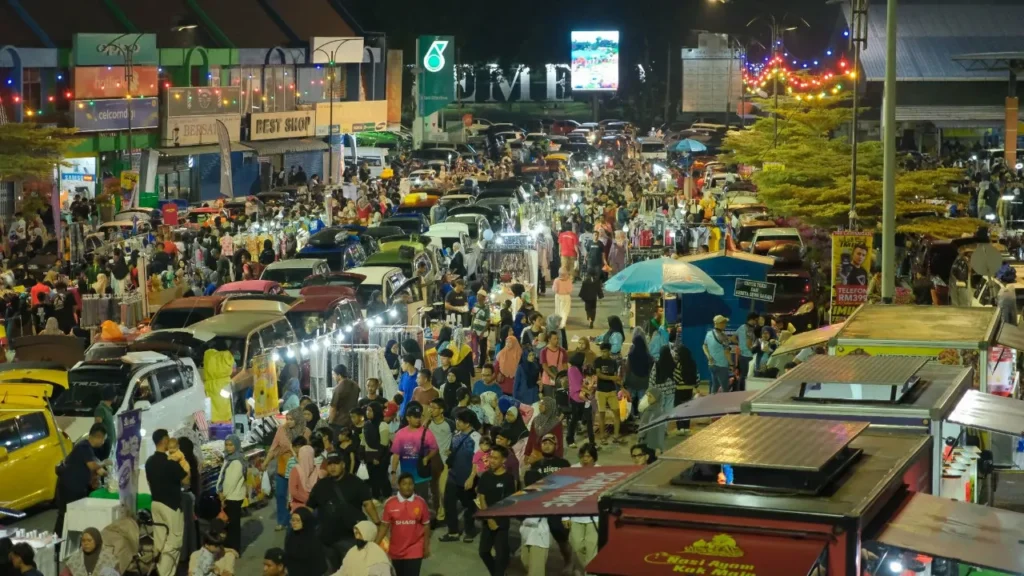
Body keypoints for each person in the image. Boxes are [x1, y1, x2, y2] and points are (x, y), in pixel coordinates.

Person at [306, 451, 379, 572]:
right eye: (329, 464)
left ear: (343, 464)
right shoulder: (321, 485)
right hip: (326, 540)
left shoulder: (356, 482)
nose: (332, 467)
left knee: (352, 572)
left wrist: (377, 523)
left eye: (336, 463)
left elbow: (368, 504)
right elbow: (309, 507)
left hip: (350, 539)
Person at [146, 429, 187, 576]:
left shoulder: (149, 462)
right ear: (164, 441)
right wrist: (181, 461)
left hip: (155, 503)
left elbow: (150, 483)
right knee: (174, 542)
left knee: (160, 541)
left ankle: (158, 569)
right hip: (171, 505)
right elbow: (186, 480)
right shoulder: (170, 463)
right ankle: (162, 573)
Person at [476, 444, 518, 576]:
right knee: (483, 552)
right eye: (490, 457)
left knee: (500, 555)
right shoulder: (485, 476)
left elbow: (509, 502)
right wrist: (489, 519)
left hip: (502, 522)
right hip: (488, 521)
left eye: (495, 458)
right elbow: (482, 498)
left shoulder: (508, 479)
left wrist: (497, 520)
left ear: (503, 460)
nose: (491, 460)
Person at [265, 408, 310, 531]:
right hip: (283, 468)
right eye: (287, 419)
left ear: (298, 419)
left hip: (299, 470)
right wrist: (265, 463)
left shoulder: (306, 432)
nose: (288, 422)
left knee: (296, 497)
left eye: (292, 419)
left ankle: (298, 520)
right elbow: (274, 447)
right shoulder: (281, 430)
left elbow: (308, 451)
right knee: (280, 495)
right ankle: (282, 521)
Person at [441, 408, 481, 543]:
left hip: (467, 478)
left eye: (460, 420)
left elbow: (478, 460)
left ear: (468, 423)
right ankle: (453, 532)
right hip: (453, 476)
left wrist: (471, 477)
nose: (457, 422)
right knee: (449, 503)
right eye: (457, 419)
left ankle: (470, 531)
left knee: (469, 506)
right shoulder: (456, 434)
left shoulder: (476, 438)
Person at [380, 473, 431, 576]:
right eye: (404, 484)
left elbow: (426, 525)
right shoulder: (390, 503)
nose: (408, 487)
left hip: (415, 549)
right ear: (399, 486)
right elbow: (384, 526)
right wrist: (374, 544)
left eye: (410, 484)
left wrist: (426, 546)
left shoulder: (421, 503)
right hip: (396, 550)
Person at [390, 402, 439, 504]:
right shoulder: (400, 434)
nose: (418, 419)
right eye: (415, 417)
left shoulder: (427, 433)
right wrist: (393, 472)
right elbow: (396, 455)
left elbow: (435, 449)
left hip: (422, 477)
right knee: (407, 504)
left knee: (422, 503)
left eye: (419, 417)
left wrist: (427, 457)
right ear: (408, 418)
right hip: (406, 478)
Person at [568, 444, 600, 567]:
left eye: (588, 456)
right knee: (577, 547)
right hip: (576, 516)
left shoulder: (601, 471)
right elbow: (567, 493)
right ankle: (588, 569)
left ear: (594, 457)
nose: (585, 459)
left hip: (595, 517)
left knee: (592, 549)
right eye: (582, 456)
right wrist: (565, 517)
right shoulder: (573, 469)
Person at [216, 434, 247, 553]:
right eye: (226, 444)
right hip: (230, 496)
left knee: (233, 525)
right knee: (229, 524)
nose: (228, 447)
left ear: (237, 445)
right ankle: (230, 547)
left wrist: (223, 496)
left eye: (231, 445)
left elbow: (231, 482)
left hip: (232, 497)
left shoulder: (237, 461)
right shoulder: (229, 458)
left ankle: (234, 549)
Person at [427, 398, 455, 524]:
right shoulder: (428, 423)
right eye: (430, 407)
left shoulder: (449, 423)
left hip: (444, 462)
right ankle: (438, 512)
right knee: (433, 489)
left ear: (441, 410)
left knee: (443, 489)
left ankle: (445, 513)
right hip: (431, 462)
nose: (430, 410)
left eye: (433, 407)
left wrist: (452, 450)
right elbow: (420, 435)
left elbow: (457, 436)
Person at [593, 342, 622, 445]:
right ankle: (602, 436)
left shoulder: (613, 362)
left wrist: (620, 384)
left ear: (609, 351)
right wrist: (612, 378)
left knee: (617, 413)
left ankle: (616, 436)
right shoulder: (598, 361)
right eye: (602, 351)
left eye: (605, 351)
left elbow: (615, 376)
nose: (603, 353)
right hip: (601, 391)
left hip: (611, 390)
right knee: (602, 415)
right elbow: (599, 374)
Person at [363, 401, 392, 501]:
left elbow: (384, 444)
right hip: (369, 456)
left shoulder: (382, 425)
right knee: (372, 478)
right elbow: (364, 441)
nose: (368, 413)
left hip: (381, 456)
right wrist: (362, 454)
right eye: (367, 410)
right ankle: (375, 498)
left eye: (370, 411)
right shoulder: (366, 425)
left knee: (382, 477)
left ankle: (387, 498)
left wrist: (378, 458)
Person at [284, 508, 326, 576]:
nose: (294, 523)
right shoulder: (290, 537)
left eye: (298, 520)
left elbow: (320, 567)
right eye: (292, 520)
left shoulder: (313, 541)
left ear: (305, 521)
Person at [566, 355, 596, 449]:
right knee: (574, 419)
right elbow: (576, 385)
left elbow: (586, 380)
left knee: (589, 419)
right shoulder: (572, 370)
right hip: (575, 397)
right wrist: (589, 391)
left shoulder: (581, 368)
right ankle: (570, 439)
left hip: (586, 397)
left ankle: (592, 442)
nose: (585, 360)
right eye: (584, 359)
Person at [624, 331, 652, 421]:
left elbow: (627, 368)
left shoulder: (631, 355)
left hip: (632, 380)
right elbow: (650, 368)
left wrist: (625, 379)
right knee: (642, 401)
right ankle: (642, 419)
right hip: (643, 381)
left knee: (630, 400)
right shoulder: (648, 355)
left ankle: (630, 417)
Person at [703, 315, 733, 394]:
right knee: (725, 388)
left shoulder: (709, 333)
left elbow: (704, 346)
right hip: (721, 365)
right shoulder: (723, 337)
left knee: (715, 386)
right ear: (720, 324)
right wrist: (732, 364)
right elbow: (726, 352)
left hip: (712, 365)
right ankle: (724, 405)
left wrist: (708, 356)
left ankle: (712, 403)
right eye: (724, 323)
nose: (725, 325)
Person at [329, 365, 361, 431]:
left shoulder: (338, 388)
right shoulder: (355, 385)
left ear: (339, 375)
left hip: (340, 422)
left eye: (334, 374)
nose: (333, 377)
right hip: (353, 420)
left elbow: (333, 408)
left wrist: (330, 422)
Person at [287, 445, 318, 511]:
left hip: (298, 506)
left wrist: (306, 500)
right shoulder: (317, 470)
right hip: (314, 507)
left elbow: (293, 492)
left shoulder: (295, 470)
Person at [539, 331, 567, 398]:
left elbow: (565, 365)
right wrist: (554, 377)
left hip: (560, 381)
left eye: (557, 338)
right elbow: (544, 366)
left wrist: (564, 377)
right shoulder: (544, 351)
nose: (557, 340)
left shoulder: (562, 351)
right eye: (554, 339)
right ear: (549, 339)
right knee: (549, 402)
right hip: (547, 381)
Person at [92, 387, 117, 461]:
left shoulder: (108, 409)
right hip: (105, 447)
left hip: (110, 446)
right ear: (113, 397)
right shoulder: (101, 409)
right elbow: (97, 426)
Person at [735, 312, 757, 392]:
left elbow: (733, 338)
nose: (756, 322)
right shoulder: (750, 329)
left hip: (742, 355)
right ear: (751, 319)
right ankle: (743, 392)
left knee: (742, 375)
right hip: (749, 356)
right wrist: (754, 351)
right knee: (747, 376)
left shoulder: (741, 327)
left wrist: (740, 345)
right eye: (756, 320)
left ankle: (739, 391)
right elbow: (748, 344)